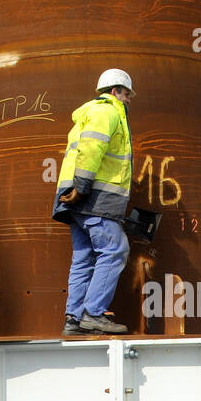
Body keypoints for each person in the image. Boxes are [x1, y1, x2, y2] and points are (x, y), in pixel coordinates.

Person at [51, 68, 135, 335]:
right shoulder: (107, 112)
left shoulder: (87, 114)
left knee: (84, 258)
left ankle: (73, 320)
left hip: (79, 198)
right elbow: (92, 149)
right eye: (126, 93)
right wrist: (82, 187)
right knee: (114, 250)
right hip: (93, 197)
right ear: (114, 92)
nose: (129, 99)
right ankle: (94, 313)